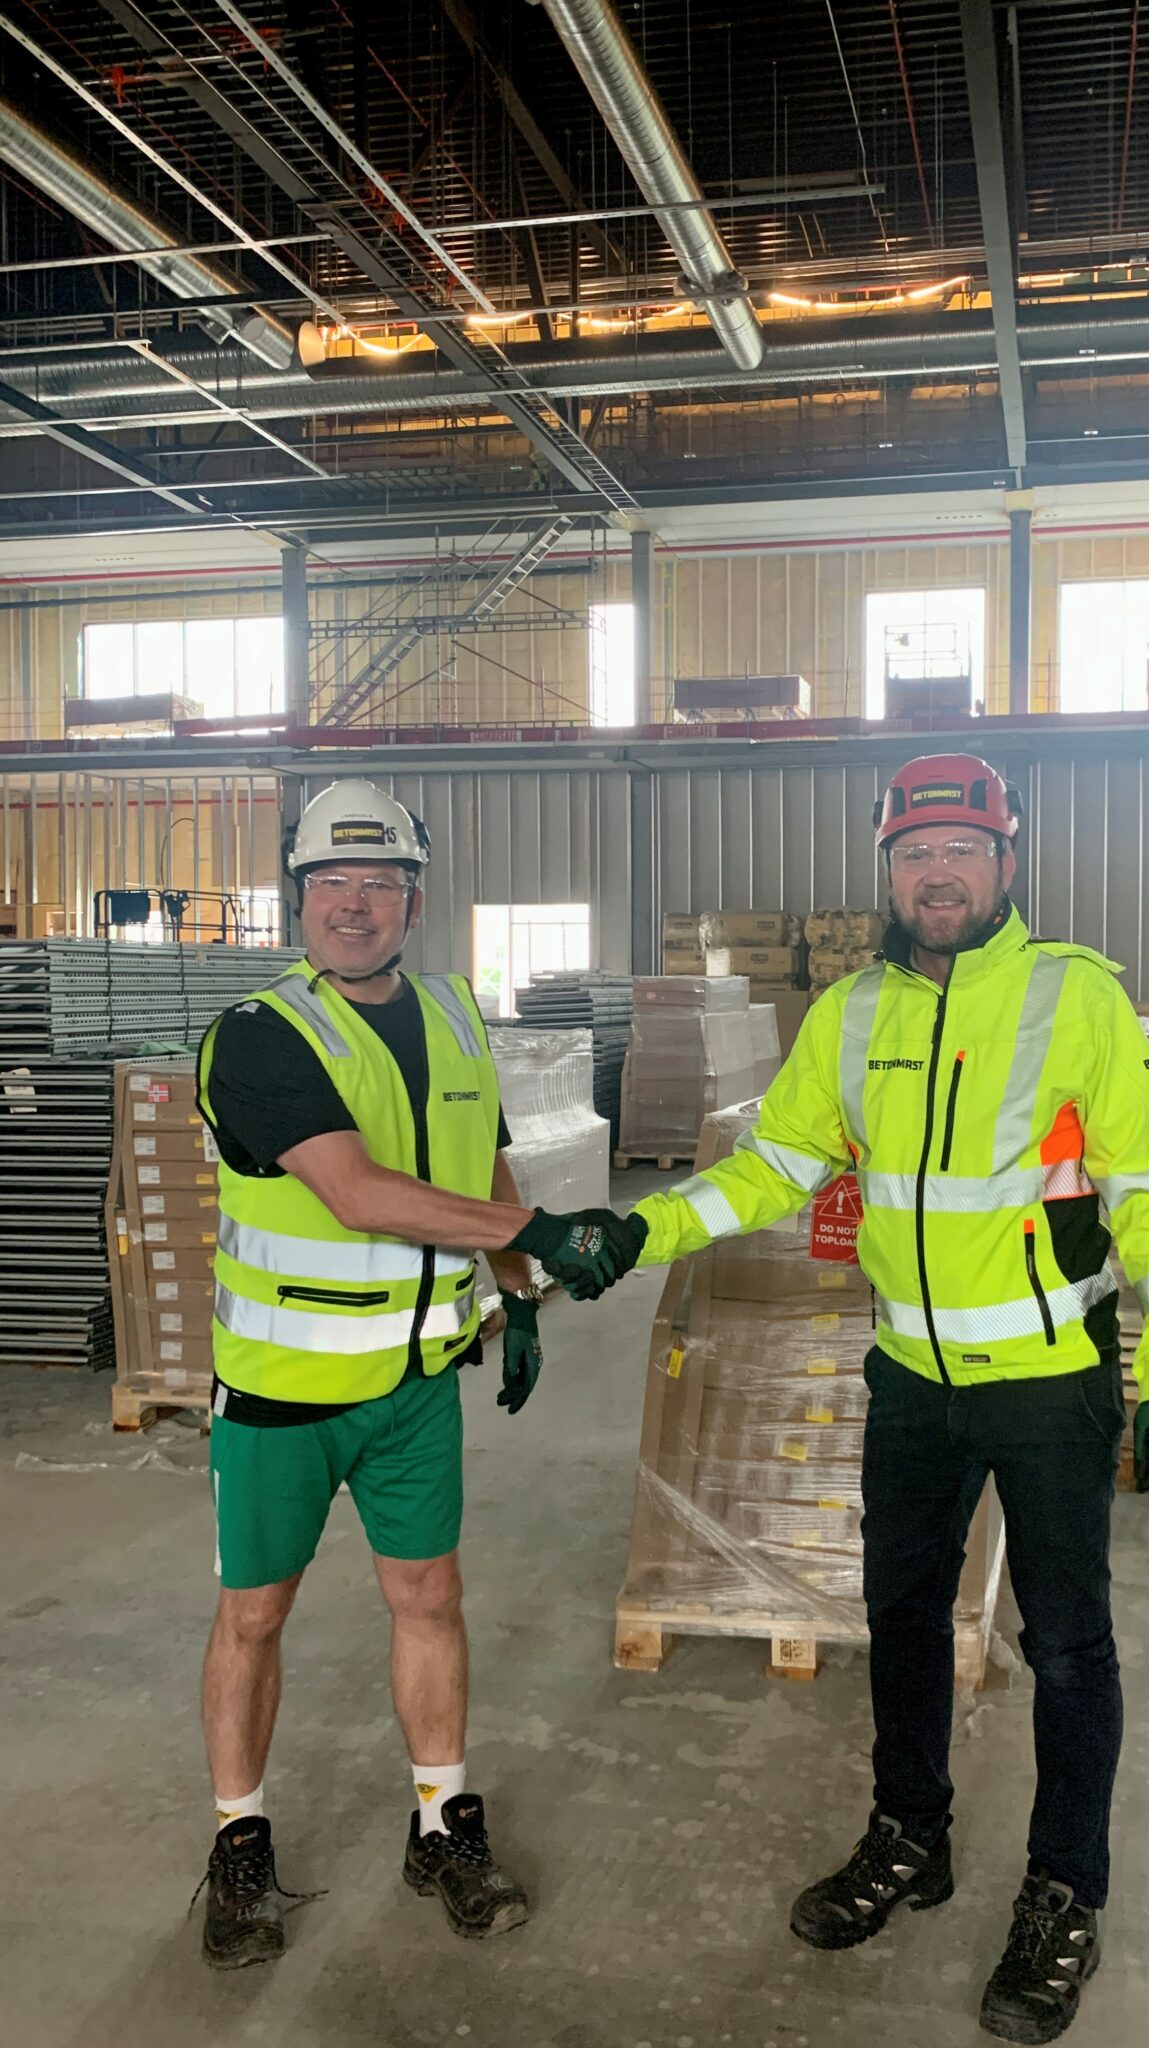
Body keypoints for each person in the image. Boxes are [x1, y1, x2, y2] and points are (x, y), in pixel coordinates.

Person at [595, 752, 1149, 2045]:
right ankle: (910, 1831)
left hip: (1049, 1383)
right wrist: (635, 1232)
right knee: (903, 1617)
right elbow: (772, 1167)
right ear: (888, 871)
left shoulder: (1075, 996)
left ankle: (1064, 1892)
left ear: (1006, 861)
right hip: (912, 1380)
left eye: (961, 850)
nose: (938, 874)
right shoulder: (852, 1012)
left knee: (1070, 1648)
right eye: (915, 853)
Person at [193, 777, 642, 1970]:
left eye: (379, 883)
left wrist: (517, 1288)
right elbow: (357, 1191)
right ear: (298, 897)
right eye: (330, 881)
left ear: (415, 901)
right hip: (283, 1395)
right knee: (254, 1614)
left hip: (413, 1388)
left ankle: (441, 1820)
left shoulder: (452, 1014)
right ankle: (239, 1840)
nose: (354, 904)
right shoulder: (259, 1036)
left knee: (431, 1596)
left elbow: (480, 1161)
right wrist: (543, 1233)